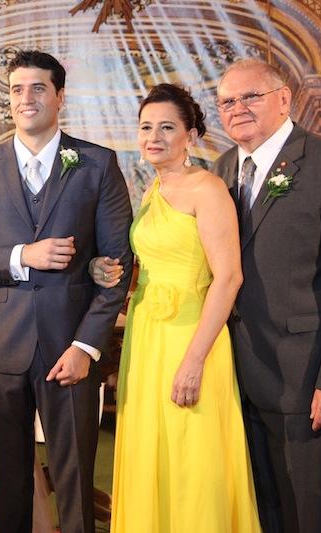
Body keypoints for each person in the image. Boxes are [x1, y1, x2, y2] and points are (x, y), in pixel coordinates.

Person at [0, 50, 134, 533]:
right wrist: (20, 256)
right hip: (1, 350)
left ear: (59, 96)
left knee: (75, 486)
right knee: (6, 490)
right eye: (16, 89)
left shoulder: (97, 164)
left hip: (70, 349)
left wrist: (86, 346)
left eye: (37, 88)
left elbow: (117, 266)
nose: (25, 98)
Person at [211, 58, 321, 533]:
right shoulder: (221, 170)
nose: (237, 108)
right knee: (261, 512)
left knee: (310, 514)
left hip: (306, 378)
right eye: (226, 101)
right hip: (235, 375)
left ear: (284, 99)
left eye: (250, 96)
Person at [106, 84, 261, 532]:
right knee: (154, 453)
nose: (153, 137)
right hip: (147, 338)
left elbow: (228, 278)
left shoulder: (206, 189)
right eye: (146, 127)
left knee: (192, 461)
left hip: (191, 340)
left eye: (167, 127)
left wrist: (194, 361)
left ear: (190, 135)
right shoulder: (154, 189)